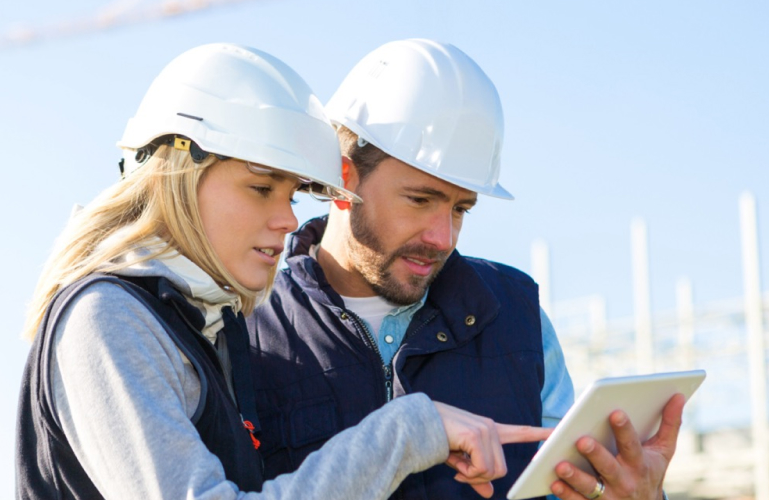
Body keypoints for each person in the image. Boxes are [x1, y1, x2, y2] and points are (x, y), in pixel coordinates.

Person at [14, 43, 551, 500]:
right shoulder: (108, 319)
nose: (289, 217)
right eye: (260, 187)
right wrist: (409, 431)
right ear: (179, 170)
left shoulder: (197, 328)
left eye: (291, 192)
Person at [246, 38, 686, 500]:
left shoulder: (517, 316)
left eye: (461, 209)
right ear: (342, 176)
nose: (443, 238)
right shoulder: (246, 323)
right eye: (420, 200)